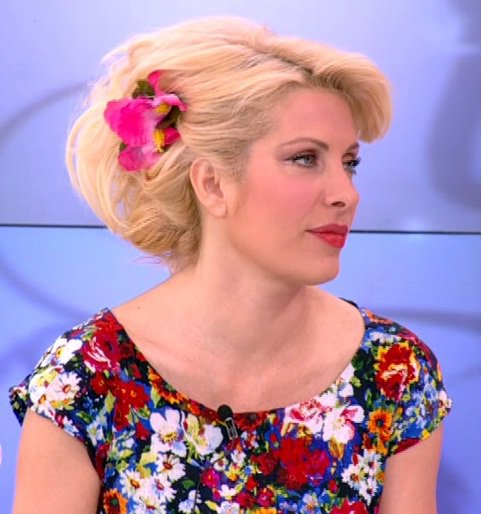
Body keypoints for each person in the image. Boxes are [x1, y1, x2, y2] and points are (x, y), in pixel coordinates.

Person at [9, 16, 452, 514]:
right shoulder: (87, 378)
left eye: (349, 163)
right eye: (305, 158)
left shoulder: (394, 371)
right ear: (212, 184)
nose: (346, 195)